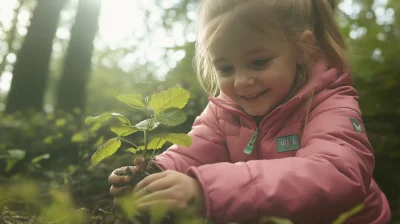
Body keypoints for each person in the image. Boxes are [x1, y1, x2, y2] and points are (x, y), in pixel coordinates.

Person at [108, 0, 391, 223]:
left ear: (302, 49)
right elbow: (193, 152)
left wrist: (205, 192)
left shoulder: (330, 102)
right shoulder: (224, 111)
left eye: (259, 62)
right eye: (226, 69)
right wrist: (153, 173)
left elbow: (337, 174)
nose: (242, 81)